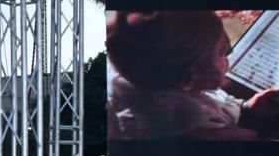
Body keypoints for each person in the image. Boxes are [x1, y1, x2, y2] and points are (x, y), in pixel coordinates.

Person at [107, 10, 279, 141]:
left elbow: (218, 100)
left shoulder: (167, 84)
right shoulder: (199, 125)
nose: (230, 52)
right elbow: (253, 139)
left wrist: (246, 108)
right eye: (222, 51)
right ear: (188, 80)